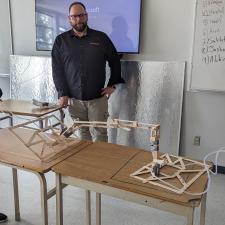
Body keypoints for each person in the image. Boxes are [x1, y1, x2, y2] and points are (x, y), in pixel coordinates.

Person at [52, 1, 124, 142]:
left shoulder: (101, 38)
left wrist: (112, 85)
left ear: (86, 16)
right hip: (74, 101)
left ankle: (101, 164)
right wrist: (63, 94)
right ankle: (87, 164)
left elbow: (115, 61)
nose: (78, 19)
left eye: (81, 15)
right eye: (74, 16)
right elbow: (57, 70)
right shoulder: (61, 41)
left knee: (100, 134)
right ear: (69, 19)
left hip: (97, 99)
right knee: (83, 134)